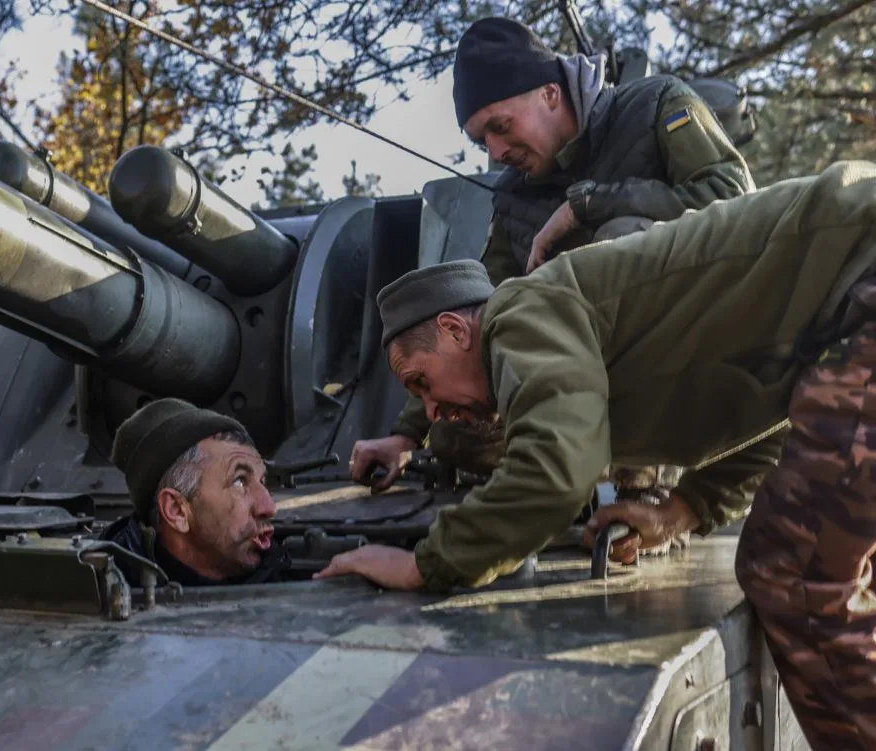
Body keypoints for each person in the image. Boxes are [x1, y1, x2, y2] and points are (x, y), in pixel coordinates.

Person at [318, 161, 876, 750]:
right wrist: (687, 507)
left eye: (422, 383)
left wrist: (426, 565)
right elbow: (792, 414)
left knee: (795, 574)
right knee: (836, 557)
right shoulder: (577, 336)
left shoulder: (520, 314)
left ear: (458, 331)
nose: (432, 412)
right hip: (853, 303)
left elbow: (558, 471)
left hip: (863, 270)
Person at [351, 16, 754, 496]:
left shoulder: (656, 105)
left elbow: (735, 201)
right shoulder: (514, 197)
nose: (497, 152)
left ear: (550, 93)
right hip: (582, 390)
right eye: (483, 140)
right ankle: (579, 468)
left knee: (624, 239)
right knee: (456, 435)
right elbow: (479, 316)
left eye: (500, 127)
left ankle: (654, 473)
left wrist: (588, 205)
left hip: (697, 365)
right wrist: (407, 434)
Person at [99, 398, 289, 587]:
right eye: (239, 482)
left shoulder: (286, 571)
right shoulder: (100, 597)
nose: (269, 507)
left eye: (262, 481)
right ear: (177, 510)